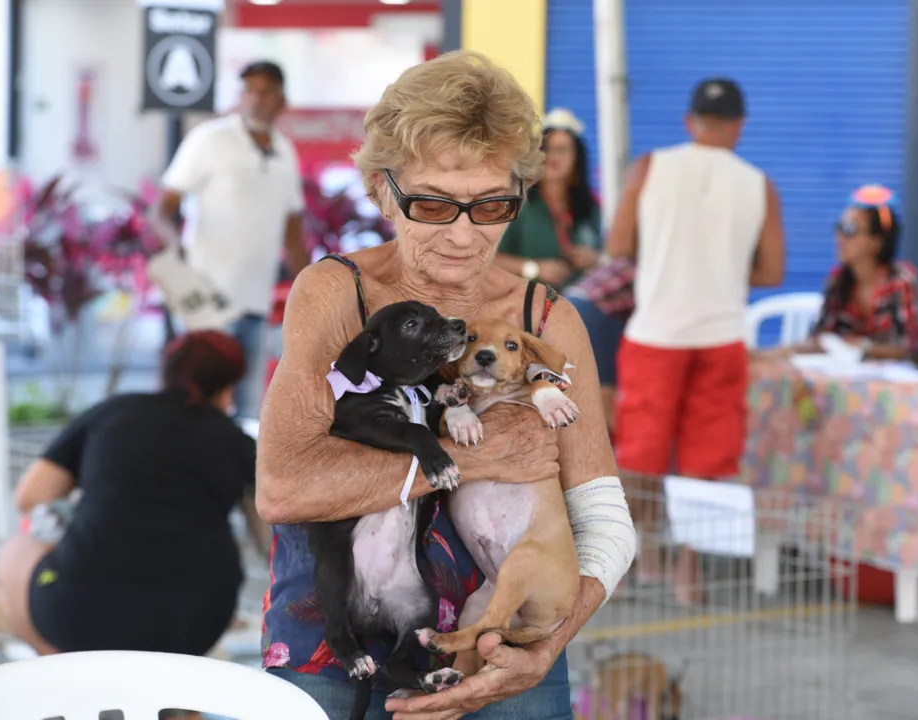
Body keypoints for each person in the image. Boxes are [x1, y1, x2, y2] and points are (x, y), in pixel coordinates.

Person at [256, 51, 636, 720]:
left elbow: (606, 519)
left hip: (496, 644)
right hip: (329, 634)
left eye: (492, 205)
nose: (464, 236)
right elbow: (284, 488)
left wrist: (548, 644)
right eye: (432, 204)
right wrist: (476, 457)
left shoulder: (542, 319)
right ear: (381, 189)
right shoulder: (337, 293)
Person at [605, 77, 785, 603]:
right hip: (722, 335)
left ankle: (622, 565)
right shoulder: (759, 184)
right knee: (707, 461)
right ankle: (688, 574)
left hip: (655, 333)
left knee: (639, 455)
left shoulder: (650, 167)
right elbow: (772, 270)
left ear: (689, 122)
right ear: (740, 125)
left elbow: (618, 246)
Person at [0, 331, 267, 657]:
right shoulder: (239, 443)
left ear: (166, 372)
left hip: (79, 612)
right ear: (228, 388)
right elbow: (268, 540)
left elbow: (29, 496)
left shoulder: (112, 413)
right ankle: (176, 700)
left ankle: (70, 685)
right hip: (197, 622)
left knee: (14, 550)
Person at [154, 60, 310, 420]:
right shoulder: (210, 139)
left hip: (255, 303)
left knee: (249, 408)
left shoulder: (285, 151)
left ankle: (237, 477)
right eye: (249, 90)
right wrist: (173, 244)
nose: (255, 99)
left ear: (281, 100)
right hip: (207, 300)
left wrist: (312, 288)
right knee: (199, 398)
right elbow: (162, 210)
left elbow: (294, 231)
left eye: (265, 91)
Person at [805, 184, 918, 363]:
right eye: (839, 227)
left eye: (849, 230)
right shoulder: (838, 280)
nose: (839, 237)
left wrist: (865, 348)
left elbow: (915, 348)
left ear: (877, 241)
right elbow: (820, 336)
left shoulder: (903, 282)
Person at [493, 108, 602, 289]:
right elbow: (487, 260)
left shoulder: (591, 205)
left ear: (577, 158)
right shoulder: (517, 204)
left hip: (579, 307)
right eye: (545, 149)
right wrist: (532, 268)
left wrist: (595, 260)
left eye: (561, 150)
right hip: (524, 307)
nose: (551, 157)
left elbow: (612, 257)